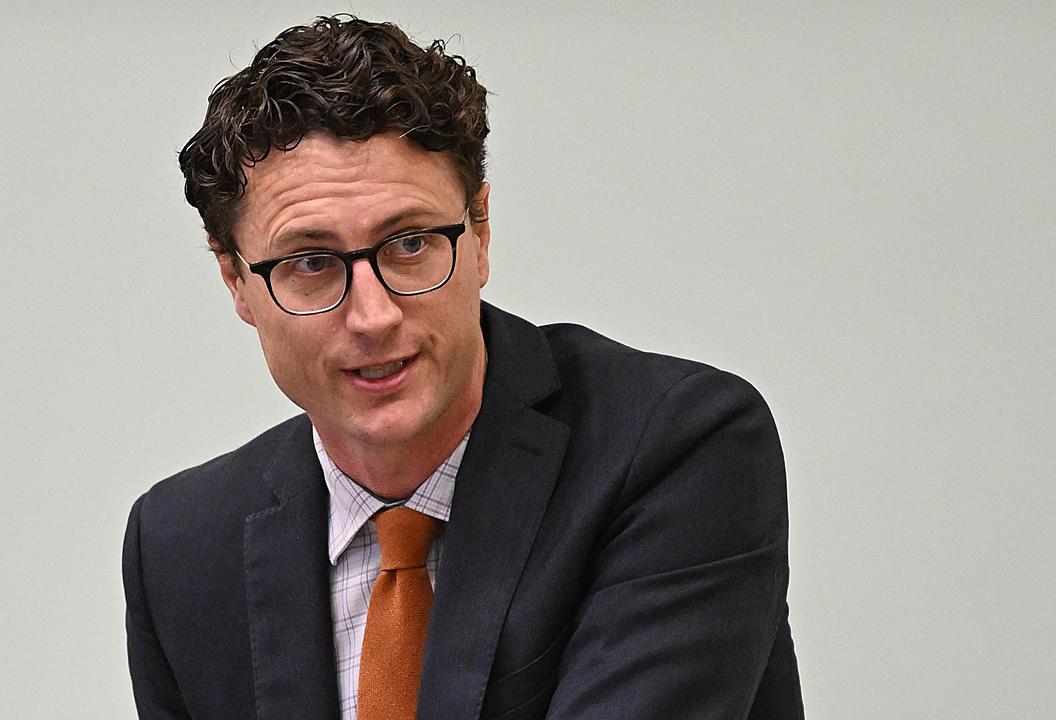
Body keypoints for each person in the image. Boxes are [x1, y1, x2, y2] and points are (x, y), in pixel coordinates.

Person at [123, 15, 804, 720]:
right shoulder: (180, 546)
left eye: (410, 243)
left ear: (479, 231)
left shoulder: (676, 446)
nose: (373, 314)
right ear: (235, 280)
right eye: (311, 263)